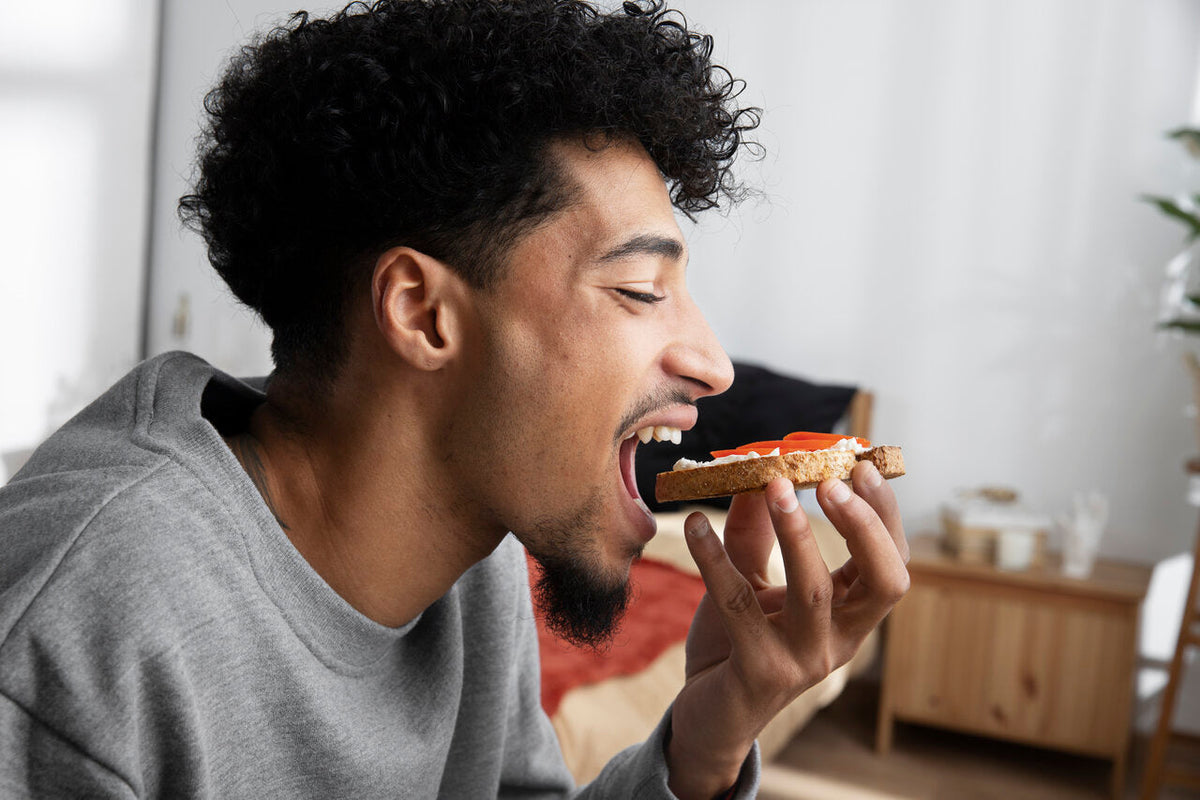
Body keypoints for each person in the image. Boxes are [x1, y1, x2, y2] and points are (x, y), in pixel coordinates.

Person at [0, 1, 910, 797]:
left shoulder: (473, 554)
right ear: (423, 314)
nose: (715, 366)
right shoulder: (84, 631)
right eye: (640, 289)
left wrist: (708, 742)